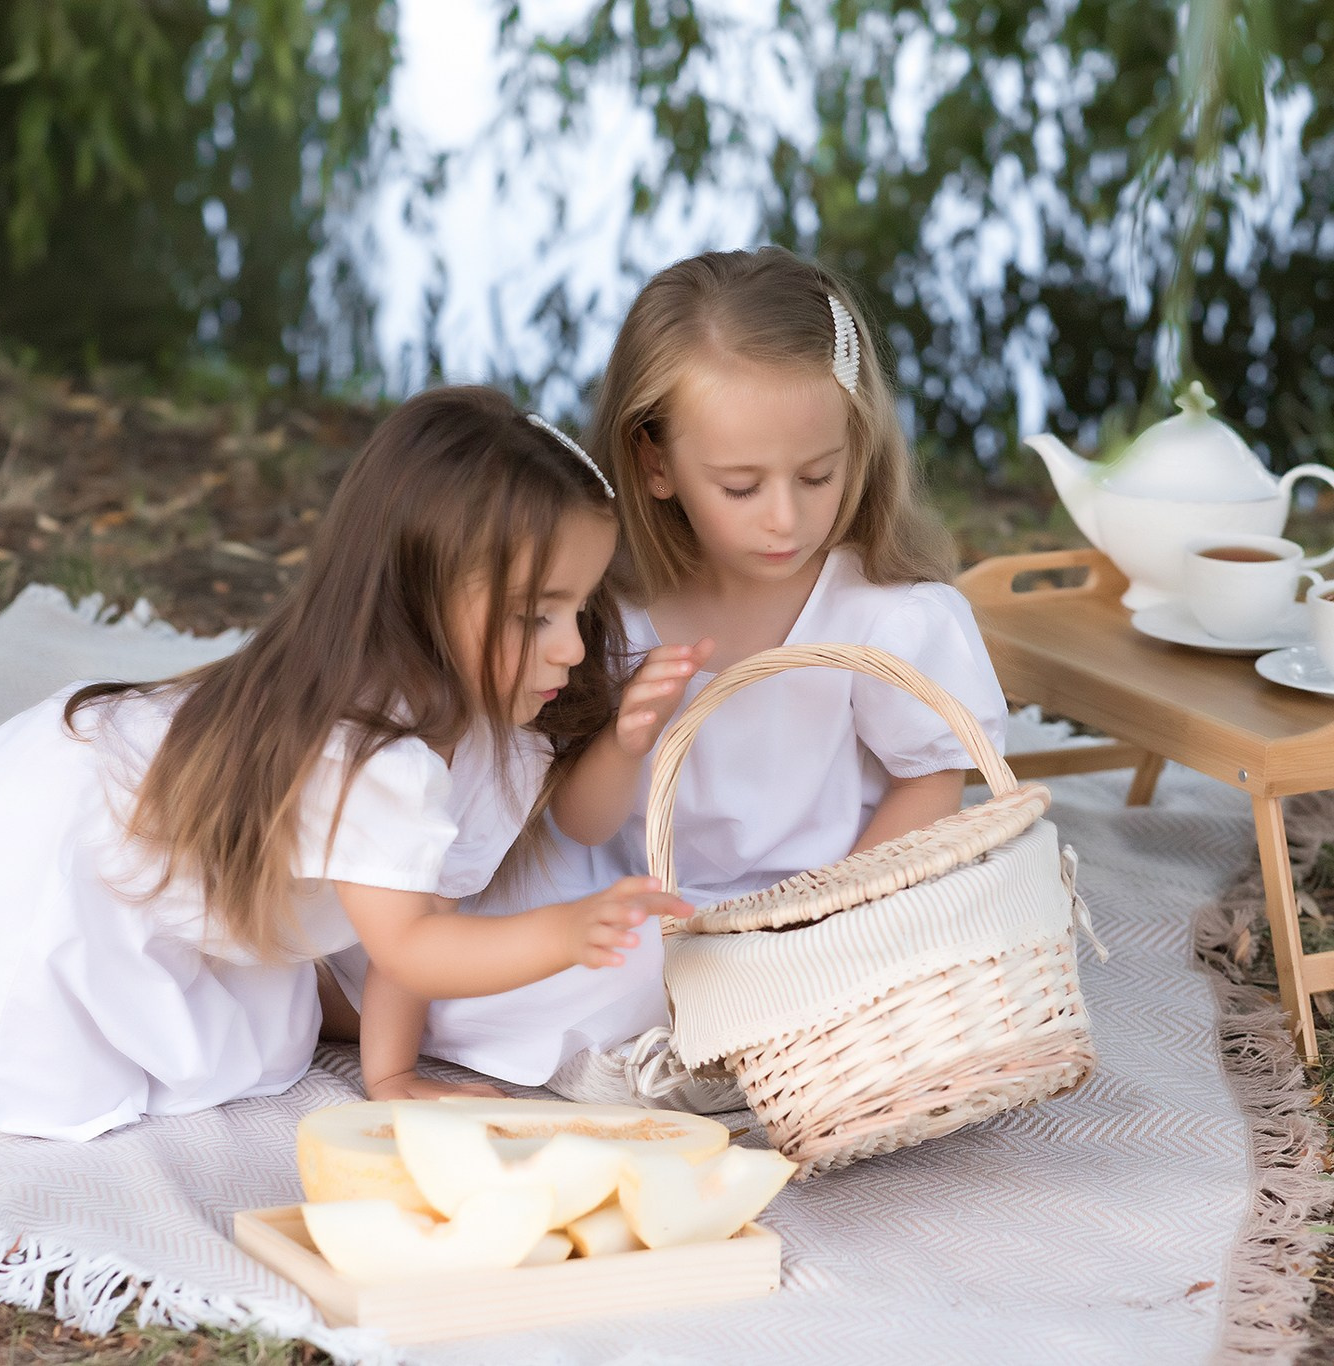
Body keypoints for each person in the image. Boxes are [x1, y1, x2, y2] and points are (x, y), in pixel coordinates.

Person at [0, 387, 688, 1140]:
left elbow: (421, 911)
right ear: (418, 599)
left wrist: (390, 1078)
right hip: (45, 848)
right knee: (56, 1057)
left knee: (271, 1013)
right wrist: (562, 935)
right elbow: (417, 946)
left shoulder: (469, 729)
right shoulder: (374, 752)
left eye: (578, 609)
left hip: (82, 796)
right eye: (534, 617)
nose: (575, 648)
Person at [354, 248, 1009, 1110]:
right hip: (636, 892)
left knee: (889, 949)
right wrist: (628, 735)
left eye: (819, 474)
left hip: (825, 901)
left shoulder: (886, 615)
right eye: (740, 486)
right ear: (655, 464)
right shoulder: (606, 604)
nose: (787, 516)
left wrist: (834, 917)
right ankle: (384, 1006)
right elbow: (583, 825)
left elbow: (935, 776)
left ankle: (479, 1018)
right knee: (512, 934)